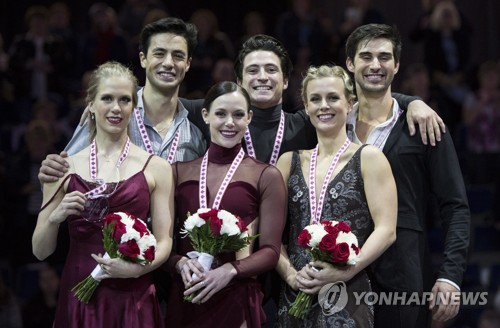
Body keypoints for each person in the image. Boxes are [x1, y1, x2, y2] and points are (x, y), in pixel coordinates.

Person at [344, 23, 470, 328]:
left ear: (397, 65)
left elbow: (455, 207)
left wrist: (451, 277)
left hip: (404, 276)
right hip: (339, 273)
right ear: (350, 63)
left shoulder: (425, 126)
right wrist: (409, 99)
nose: (376, 65)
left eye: (385, 57)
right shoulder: (331, 124)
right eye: (366, 56)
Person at [32, 61, 174, 327]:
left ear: (134, 107)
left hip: (135, 293)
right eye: (107, 98)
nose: (116, 108)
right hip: (79, 295)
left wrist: (136, 270)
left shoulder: (157, 167)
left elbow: (164, 241)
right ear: (91, 104)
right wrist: (55, 218)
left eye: (124, 100)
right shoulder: (63, 167)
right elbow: (40, 251)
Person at [275, 64, 397, 327]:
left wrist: (343, 271)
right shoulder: (288, 162)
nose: (324, 106)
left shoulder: (369, 158)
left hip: (347, 294)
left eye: (333, 98)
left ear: (350, 103)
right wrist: (290, 276)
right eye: (315, 99)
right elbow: (270, 232)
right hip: (296, 293)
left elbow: (386, 230)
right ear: (306, 107)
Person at [163, 81, 286, 327]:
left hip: (236, 297)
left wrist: (229, 271)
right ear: (206, 115)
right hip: (188, 292)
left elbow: (271, 252)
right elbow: (162, 243)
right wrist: (179, 263)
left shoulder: (266, 175)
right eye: (221, 113)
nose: (230, 122)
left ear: (249, 118)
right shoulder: (178, 172)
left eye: (238, 115)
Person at [38, 17, 206, 184]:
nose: (169, 63)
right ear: (143, 59)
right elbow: (64, 174)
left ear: (188, 63)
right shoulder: (109, 115)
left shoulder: (195, 135)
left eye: (178, 56)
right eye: (159, 54)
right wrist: (52, 170)